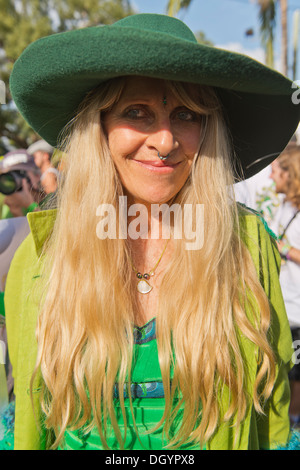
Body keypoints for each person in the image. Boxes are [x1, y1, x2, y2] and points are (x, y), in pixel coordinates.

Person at [3, 14, 300, 451]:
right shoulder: (42, 256)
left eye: (185, 114)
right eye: (136, 112)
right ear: (98, 128)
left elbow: (273, 419)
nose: (164, 140)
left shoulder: (247, 245)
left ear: (208, 129)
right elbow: (30, 423)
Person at [268, 146, 300, 427]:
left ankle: (293, 425)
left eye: (276, 170)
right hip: (283, 307)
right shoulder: (284, 206)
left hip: (298, 311)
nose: (270, 175)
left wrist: (285, 250)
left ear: (291, 174)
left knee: (296, 375)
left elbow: (287, 248)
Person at [0, 149, 41, 218]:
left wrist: (30, 205)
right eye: (9, 176)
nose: (15, 180)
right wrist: (16, 213)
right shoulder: (9, 207)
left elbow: (51, 228)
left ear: (37, 175)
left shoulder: (53, 198)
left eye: (20, 173)